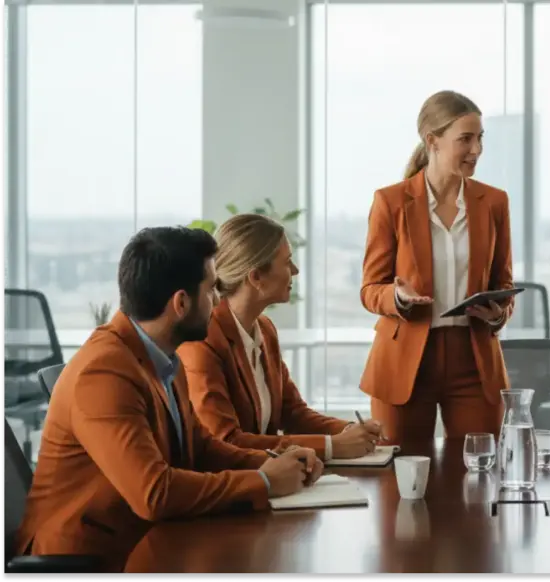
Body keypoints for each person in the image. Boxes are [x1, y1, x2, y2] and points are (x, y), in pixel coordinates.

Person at [15, 227, 322, 572]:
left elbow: (201, 447)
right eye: (210, 290)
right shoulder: (103, 373)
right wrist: (264, 482)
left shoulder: (161, 357)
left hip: (149, 539)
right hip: (91, 558)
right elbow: (154, 493)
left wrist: (273, 461)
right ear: (180, 303)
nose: (219, 302)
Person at [359, 90, 514, 444]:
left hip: (473, 360)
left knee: (478, 476)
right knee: (400, 479)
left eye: (480, 138)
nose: (476, 150)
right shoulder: (391, 202)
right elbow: (370, 289)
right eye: (465, 139)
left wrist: (496, 314)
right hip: (404, 358)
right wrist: (396, 297)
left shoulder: (493, 202)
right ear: (433, 141)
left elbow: (504, 282)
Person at [179, 214, 381, 461]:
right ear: (256, 277)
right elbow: (227, 440)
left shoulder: (264, 329)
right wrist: (332, 446)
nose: (295, 271)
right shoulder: (204, 340)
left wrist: (349, 430)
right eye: (287, 262)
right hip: (233, 485)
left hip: (272, 478)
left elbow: (293, 412)